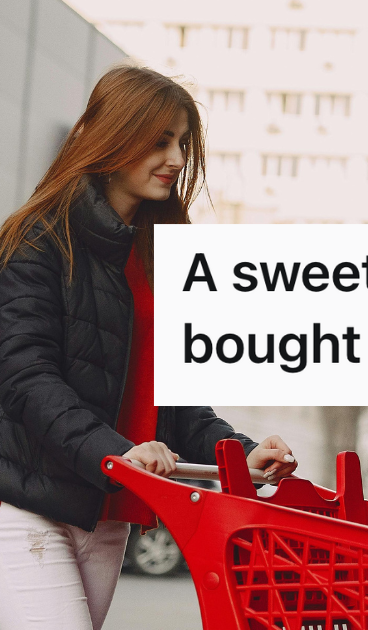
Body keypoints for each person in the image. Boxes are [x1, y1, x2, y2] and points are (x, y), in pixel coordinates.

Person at [0, 65, 298, 630]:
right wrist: (116, 450)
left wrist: (239, 454)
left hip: (109, 507)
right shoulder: (41, 238)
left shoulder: (160, 258)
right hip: (26, 502)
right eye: (160, 140)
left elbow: (178, 407)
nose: (178, 159)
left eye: (183, 142)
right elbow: (25, 377)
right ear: (114, 136)